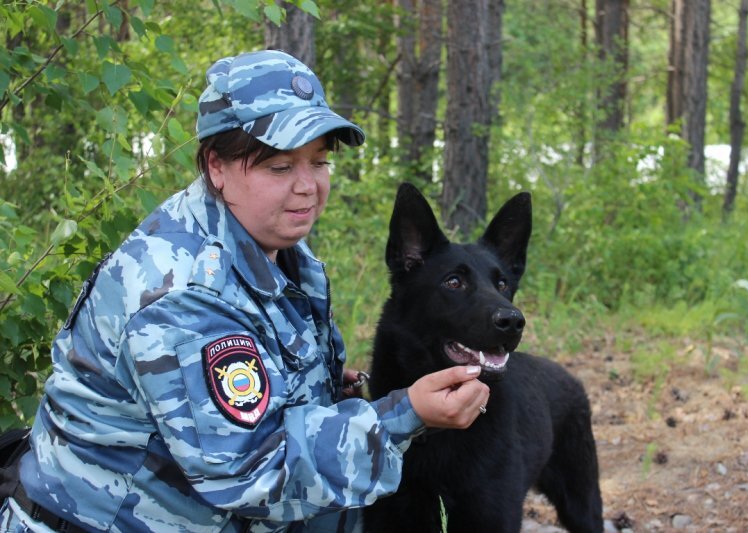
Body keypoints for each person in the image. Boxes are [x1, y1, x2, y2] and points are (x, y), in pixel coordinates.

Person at [0, 50, 490, 532]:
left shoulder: (273, 247)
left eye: (319, 163)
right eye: (280, 168)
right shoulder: (183, 293)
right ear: (217, 165)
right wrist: (404, 414)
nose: (308, 187)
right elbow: (251, 474)